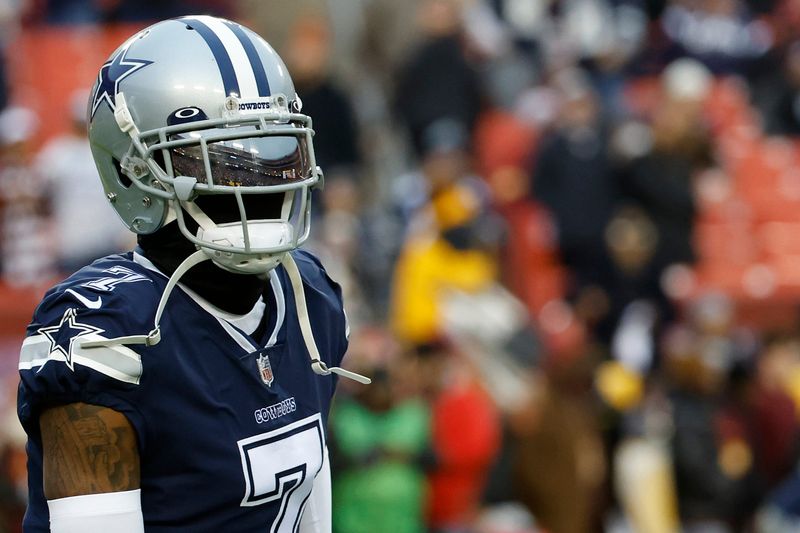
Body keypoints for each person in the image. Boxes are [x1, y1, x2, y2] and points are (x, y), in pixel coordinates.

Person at [16, 16, 369, 533]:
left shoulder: (308, 294)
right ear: (132, 169)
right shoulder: (109, 326)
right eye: (225, 163)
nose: (257, 187)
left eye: (275, 155)